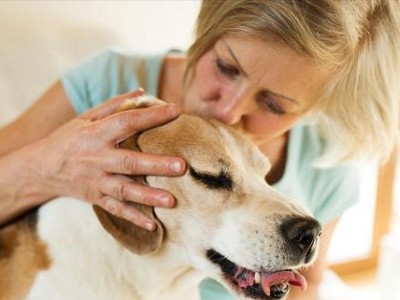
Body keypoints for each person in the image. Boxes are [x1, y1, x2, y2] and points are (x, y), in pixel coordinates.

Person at [0, 0, 399, 299]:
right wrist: (45, 166)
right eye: (226, 67)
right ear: (206, 32)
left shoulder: (328, 159)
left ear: (315, 108)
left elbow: (307, 284)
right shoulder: (108, 85)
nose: (228, 111)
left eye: (275, 104)